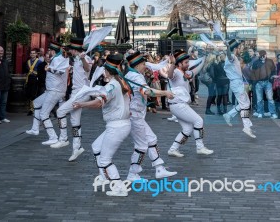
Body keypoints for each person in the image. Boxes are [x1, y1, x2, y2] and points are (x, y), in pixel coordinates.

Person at [72, 54, 131, 197]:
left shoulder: (112, 85)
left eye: (105, 69)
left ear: (109, 71)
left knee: (105, 159)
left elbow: (99, 103)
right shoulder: (121, 81)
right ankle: (105, 177)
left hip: (116, 126)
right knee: (96, 146)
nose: (103, 72)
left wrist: (81, 104)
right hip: (119, 125)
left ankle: (118, 187)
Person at [125, 51, 177, 181]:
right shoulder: (135, 77)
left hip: (137, 115)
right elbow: (147, 91)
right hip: (134, 116)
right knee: (141, 146)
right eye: (143, 64)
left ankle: (159, 168)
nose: (145, 66)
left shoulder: (133, 74)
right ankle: (132, 173)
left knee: (151, 139)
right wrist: (165, 92)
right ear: (137, 65)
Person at [51, 38, 93, 162]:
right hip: (75, 92)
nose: (70, 51)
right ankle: (77, 147)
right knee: (75, 121)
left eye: (71, 49)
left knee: (60, 112)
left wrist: (83, 58)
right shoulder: (74, 58)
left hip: (82, 92)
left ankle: (63, 139)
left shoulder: (85, 58)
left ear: (75, 50)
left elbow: (87, 69)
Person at [167, 50, 214, 157]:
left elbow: (195, 71)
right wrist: (173, 64)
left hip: (178, 105)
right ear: (179, 64)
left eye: (188, 62)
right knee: (199, 121)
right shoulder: (176, 73)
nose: (188, 64)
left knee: (187, 129)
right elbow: (169, 75)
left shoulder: (185, 73)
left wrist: (205, 61)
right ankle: (200, 147)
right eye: (186, 62)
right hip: (178, 105)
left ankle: (173, 149)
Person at [25, 41, 69, 146]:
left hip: (55, 91)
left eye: (49, 50)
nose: (48, 52)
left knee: (44, 113)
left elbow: (61, 71)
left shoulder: (59, 59)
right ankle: (35, 129)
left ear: (53, 51)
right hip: (50, 90)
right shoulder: (56, 59)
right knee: (36, 103)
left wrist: (49, 68)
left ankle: (53, 137)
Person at [222, 40, 255, 138]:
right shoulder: (232, 57)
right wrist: (228, 47)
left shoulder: (234, 58)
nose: (240, 49)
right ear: (235, 48)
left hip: (237, 83)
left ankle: (229, 115)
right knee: (245, 104)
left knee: (246, 103)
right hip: (236, 83)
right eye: (239, 47)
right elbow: (228, 55)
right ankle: (246, 127)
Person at [251, 50, 277, 119]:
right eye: (261, 55)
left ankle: (272, 113)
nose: (263, 56)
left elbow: (274, 70)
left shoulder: (270, 61)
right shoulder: (256, 62)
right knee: (259, 99)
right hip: (258, 83)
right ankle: (260, 112)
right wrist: (255, 82)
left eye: (264, 55)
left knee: (270, 98)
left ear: (266, 54)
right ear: (259, 55)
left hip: (268, 82)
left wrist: (271, 79)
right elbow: (253, 73)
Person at [24, 48, 41, 116]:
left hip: (35, 79)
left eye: (34, 53)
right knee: (29, 94)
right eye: (31, 53)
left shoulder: (39, 62)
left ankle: (33, 109)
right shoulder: (28, 61)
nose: (32, 54)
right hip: (29, 79)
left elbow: (40, 72)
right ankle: (30, 108)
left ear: (36, 54)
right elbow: (26, 70)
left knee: (34, 95)